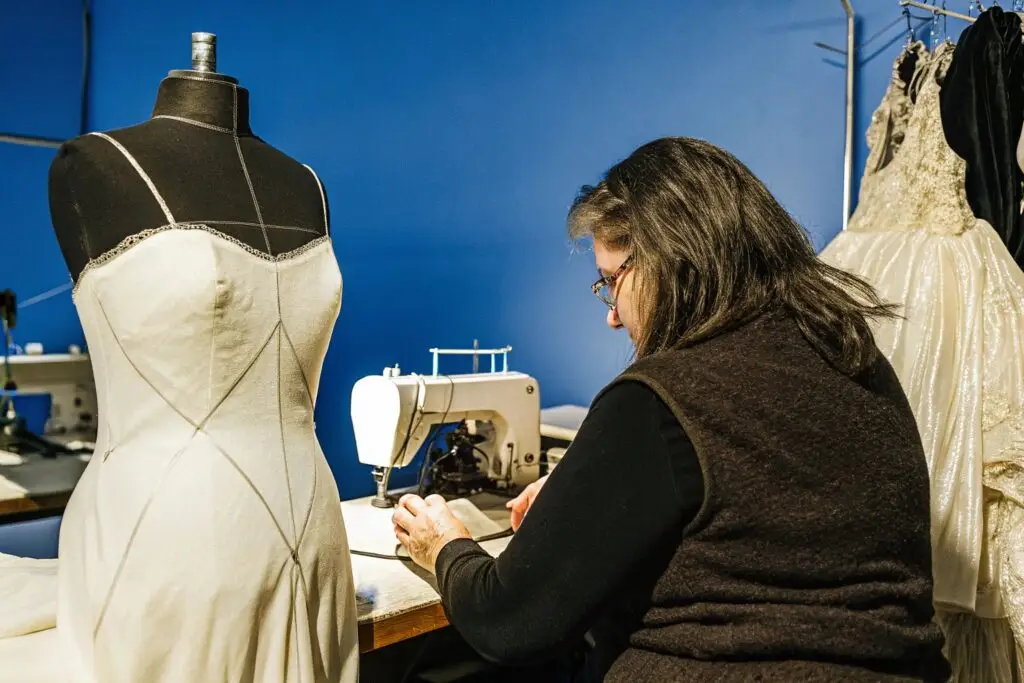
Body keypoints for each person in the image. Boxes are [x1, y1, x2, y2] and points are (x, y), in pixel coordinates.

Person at [392, 137, 951, 682]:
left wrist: (444, 546)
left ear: (668, 258)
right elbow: (770, 517)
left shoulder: (660, 396)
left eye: (612, 281)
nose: (612, 315)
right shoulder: (855, 360)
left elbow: (509, 622)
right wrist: (590, 502)